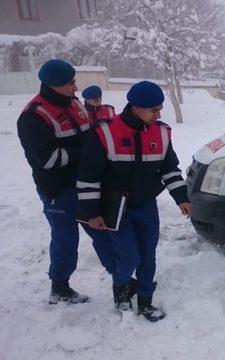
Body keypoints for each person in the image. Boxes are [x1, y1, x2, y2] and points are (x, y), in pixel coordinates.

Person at [76, 80, 191, 322]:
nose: (158, 114)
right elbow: (88, 177)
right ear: (137, 107)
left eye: (160, 109)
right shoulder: (105, 132)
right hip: (116, 208)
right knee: (128, 257)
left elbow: (169, 169)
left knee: (148, 256)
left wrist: (182, 198)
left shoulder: (161, 132)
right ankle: (121, 289)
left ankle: (146, 301)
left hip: (146, 205)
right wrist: (92, 212)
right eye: (154, 110)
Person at [16, 59, 115, 305]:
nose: (76, 87)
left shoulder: (74, 104)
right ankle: (59, 287)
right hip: (58, 190)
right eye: (71, 83)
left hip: (86, 183)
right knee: (65, 238)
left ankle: (120, 277)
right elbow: (49, 159)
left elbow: (90, 132)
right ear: (55, 85)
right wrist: (88, 151)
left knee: (103, 231)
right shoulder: (33, 117)